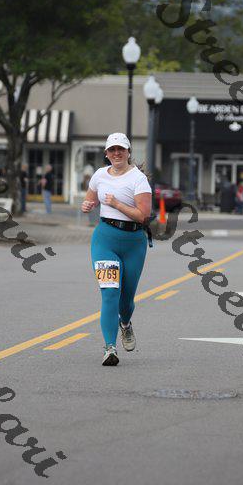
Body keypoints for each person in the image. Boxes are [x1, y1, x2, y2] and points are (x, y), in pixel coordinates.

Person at [81, 132, 152, 366]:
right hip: (105, 240)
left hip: (134, 243)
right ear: (106, 153)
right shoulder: (100, 175)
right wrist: (87, 205)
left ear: (129, 152)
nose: (117, 153)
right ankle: (110, 348)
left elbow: (143, 216)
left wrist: (117, 204)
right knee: (110, 292)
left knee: (126, 300)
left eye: (121, 149)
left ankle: (125, 323)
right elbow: (90, 199)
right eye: (112, 150)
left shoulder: (138, 179)